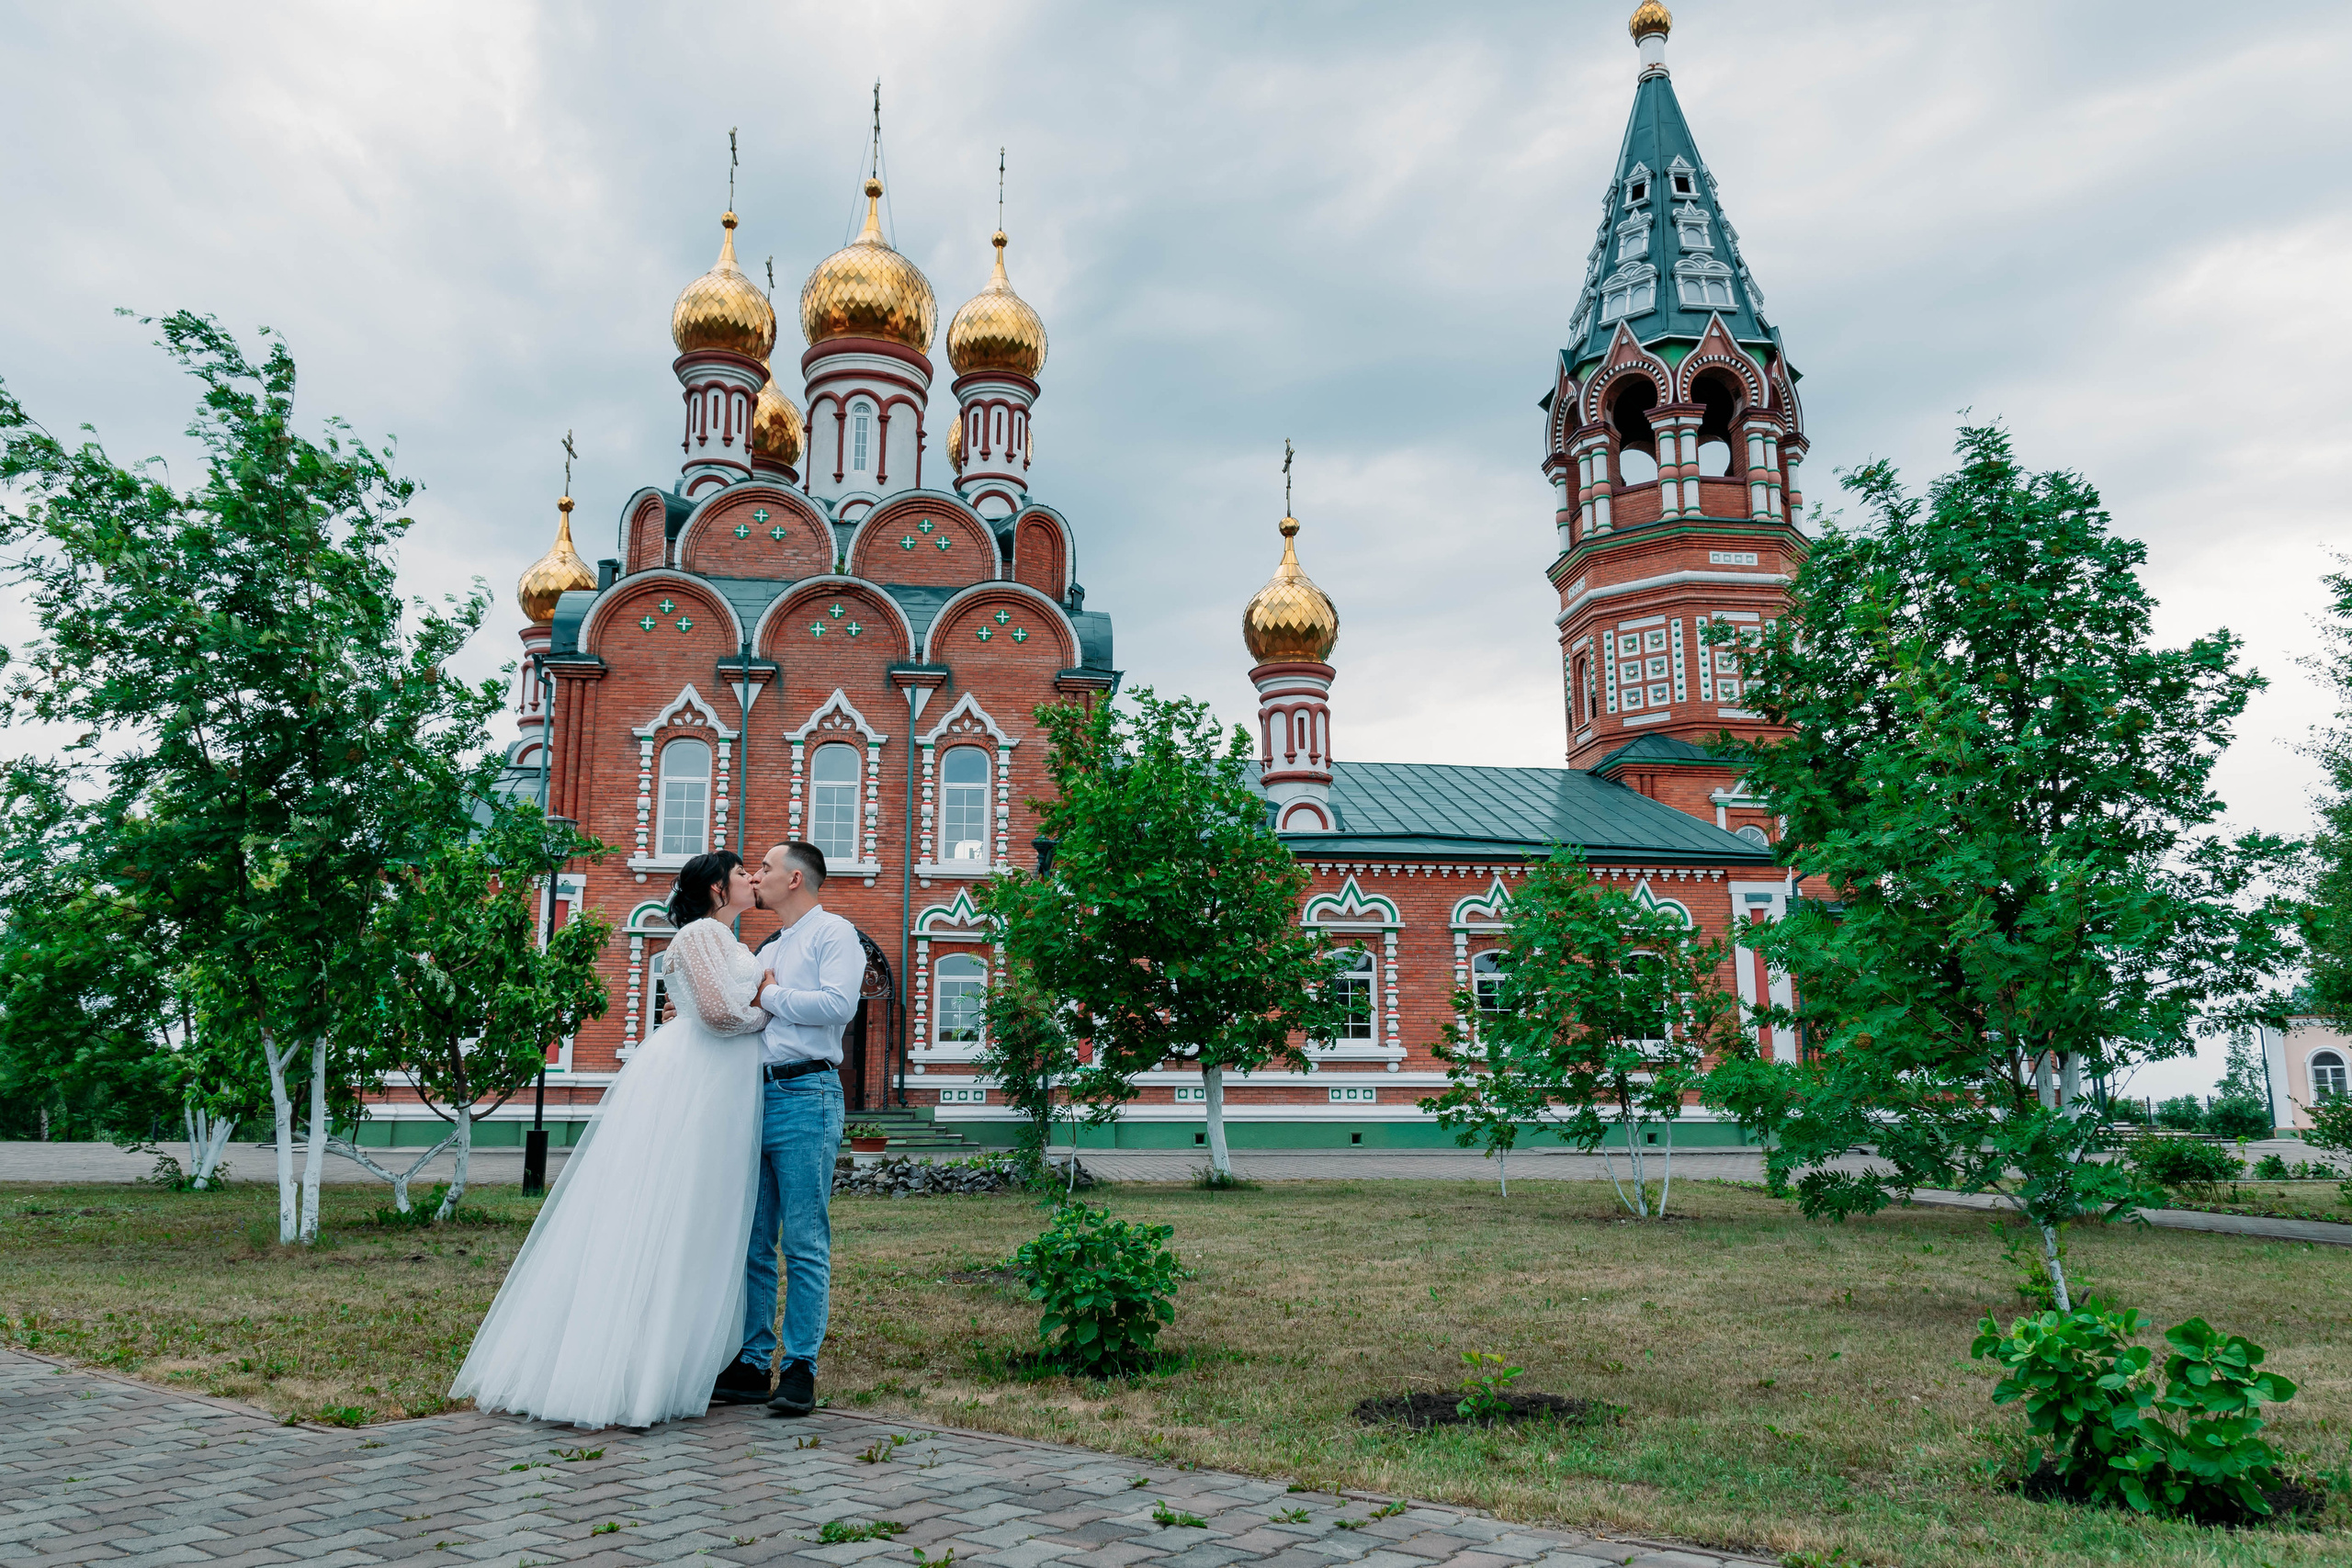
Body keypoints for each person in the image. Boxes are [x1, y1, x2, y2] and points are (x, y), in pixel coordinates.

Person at [450, 851, 769, 1429]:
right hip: (701, 1078)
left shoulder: (724, 939)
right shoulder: (701, 934)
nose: (752, 879)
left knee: (702, 1216)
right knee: (675, 1210)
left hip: (721, 1081)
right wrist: (772, 1003)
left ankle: (675, 1356)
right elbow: (722, 1016)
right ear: (718, 889)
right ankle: (635, 1368)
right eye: (743, 873)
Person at [707, 840, 861, 1416]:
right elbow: (751, 1019)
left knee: (802, 1236)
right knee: (753, 1238)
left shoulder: (833, 933)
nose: (755, 875)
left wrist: (767, 993)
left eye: (766, 868)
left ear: (795, 879)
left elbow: (838, 1005)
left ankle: (799, 1367)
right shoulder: (769, 943)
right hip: (755, 1095)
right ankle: (752, 1361)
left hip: (806, 1094)